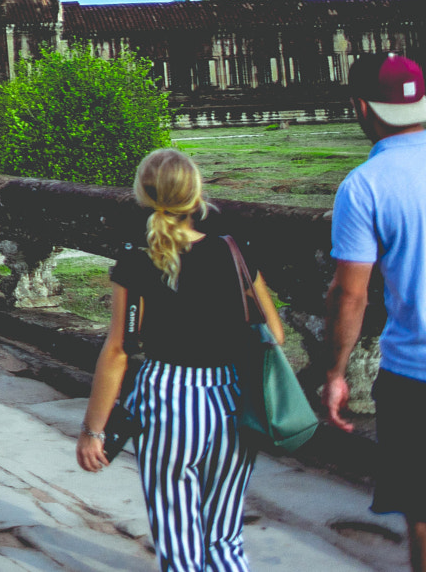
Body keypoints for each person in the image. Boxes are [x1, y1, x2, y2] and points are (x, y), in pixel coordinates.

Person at [75, 146, 286, 572]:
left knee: (179, 536)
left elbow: (118, 351)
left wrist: (93, 430)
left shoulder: (137, 260)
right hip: (232, 396)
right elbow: (274, 334)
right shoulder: (233, 250)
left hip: (170, 396)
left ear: (144, 195)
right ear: (196, 194)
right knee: (224, 534)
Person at [322, 53, 426, 567]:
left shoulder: (365, 185)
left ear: (360, 107)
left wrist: (337, 371)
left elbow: (352, 294)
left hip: (415, 374)